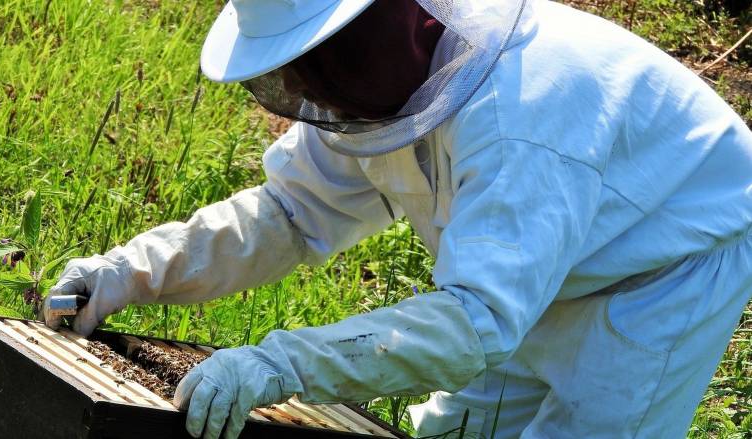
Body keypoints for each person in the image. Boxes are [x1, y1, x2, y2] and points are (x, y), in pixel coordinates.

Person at [45, 0, 752, 438]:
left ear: (378, 26)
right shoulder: (381, 90)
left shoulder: (519, 117)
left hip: (665, 266)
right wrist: (125, 274)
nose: (298, 90)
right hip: (557, 255)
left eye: (310, 65)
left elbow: (476, 322)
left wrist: (283, 363)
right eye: (289, 70)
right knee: (455, 432)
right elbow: (287, 213)